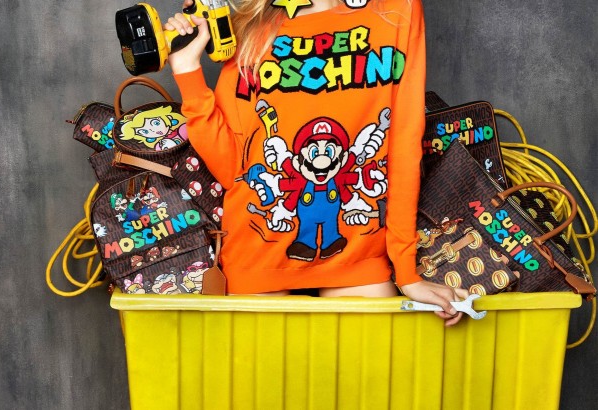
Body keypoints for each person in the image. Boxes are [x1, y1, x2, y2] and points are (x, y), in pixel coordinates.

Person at [165, 0, 469, 325]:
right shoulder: (248, 26)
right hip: (258, 257)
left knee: (368, 358)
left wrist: (407, 271)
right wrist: (187, 70)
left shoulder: (396, 9)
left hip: (358, 254)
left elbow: (405, 142)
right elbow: (233, 170)